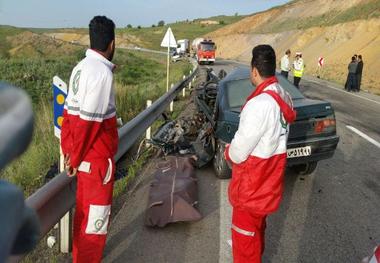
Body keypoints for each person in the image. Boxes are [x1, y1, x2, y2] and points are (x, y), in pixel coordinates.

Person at [224, 45, 296, 263]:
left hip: (251, 190)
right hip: (268, 185)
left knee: (245, 247)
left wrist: (228, 151)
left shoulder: (259, 105)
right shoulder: (284, 95)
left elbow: (238, 153)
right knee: (256, 236)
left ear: (254, 70)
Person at [61, 16, 118, 263]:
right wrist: (75, 157)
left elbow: (69, 117)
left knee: (82, 219)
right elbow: (88, 123)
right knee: (94, 228)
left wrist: (68, 153)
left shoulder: (79, 68)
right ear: (112, 44)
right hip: (95, 163)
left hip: (82, 161)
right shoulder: (102, 73)